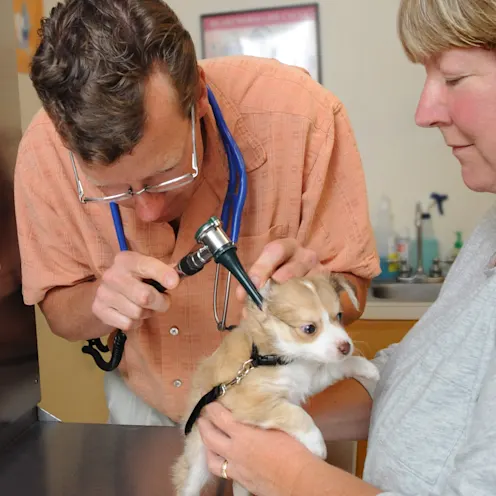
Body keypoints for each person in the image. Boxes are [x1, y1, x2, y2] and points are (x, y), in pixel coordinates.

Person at [13, 0, 379, 427]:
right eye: (111, 190)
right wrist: (98, 303)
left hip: (290, 397)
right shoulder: (44, 154)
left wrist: (317, 290)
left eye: (167, 173)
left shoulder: (303, 119)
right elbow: (58, 309)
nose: (147, 210)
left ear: (199, 95)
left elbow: (353, 289)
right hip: (146, 406)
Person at [197, 1, 496, 495]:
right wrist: (270, 411)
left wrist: (288, 474)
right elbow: (416, 378)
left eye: (454, 78)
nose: (424, 112)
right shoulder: (490, 231)